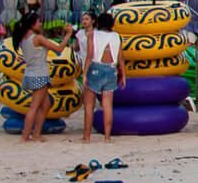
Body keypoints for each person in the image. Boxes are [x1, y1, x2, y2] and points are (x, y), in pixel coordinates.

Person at [11, 10, 72, 142]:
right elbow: (59, 49)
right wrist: (68, 35)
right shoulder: (37, 38)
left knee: (46, 104)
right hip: (40, 74)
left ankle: (36, 134)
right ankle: (26, 136)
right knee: (35, 106)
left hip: (30, 73)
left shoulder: (23, 38)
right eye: (38, 22)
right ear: (32, 24)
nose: (41, 24)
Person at [82, 12, 125, 143]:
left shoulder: (92, 34)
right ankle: (107, 137)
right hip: (111, 70)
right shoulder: (117, 36)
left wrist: (84, 74)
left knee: (89, 106)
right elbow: (120, 58)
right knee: (107, 105)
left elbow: (89, 55)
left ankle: (87, 137)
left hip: (96, 68)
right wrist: (123, 75)